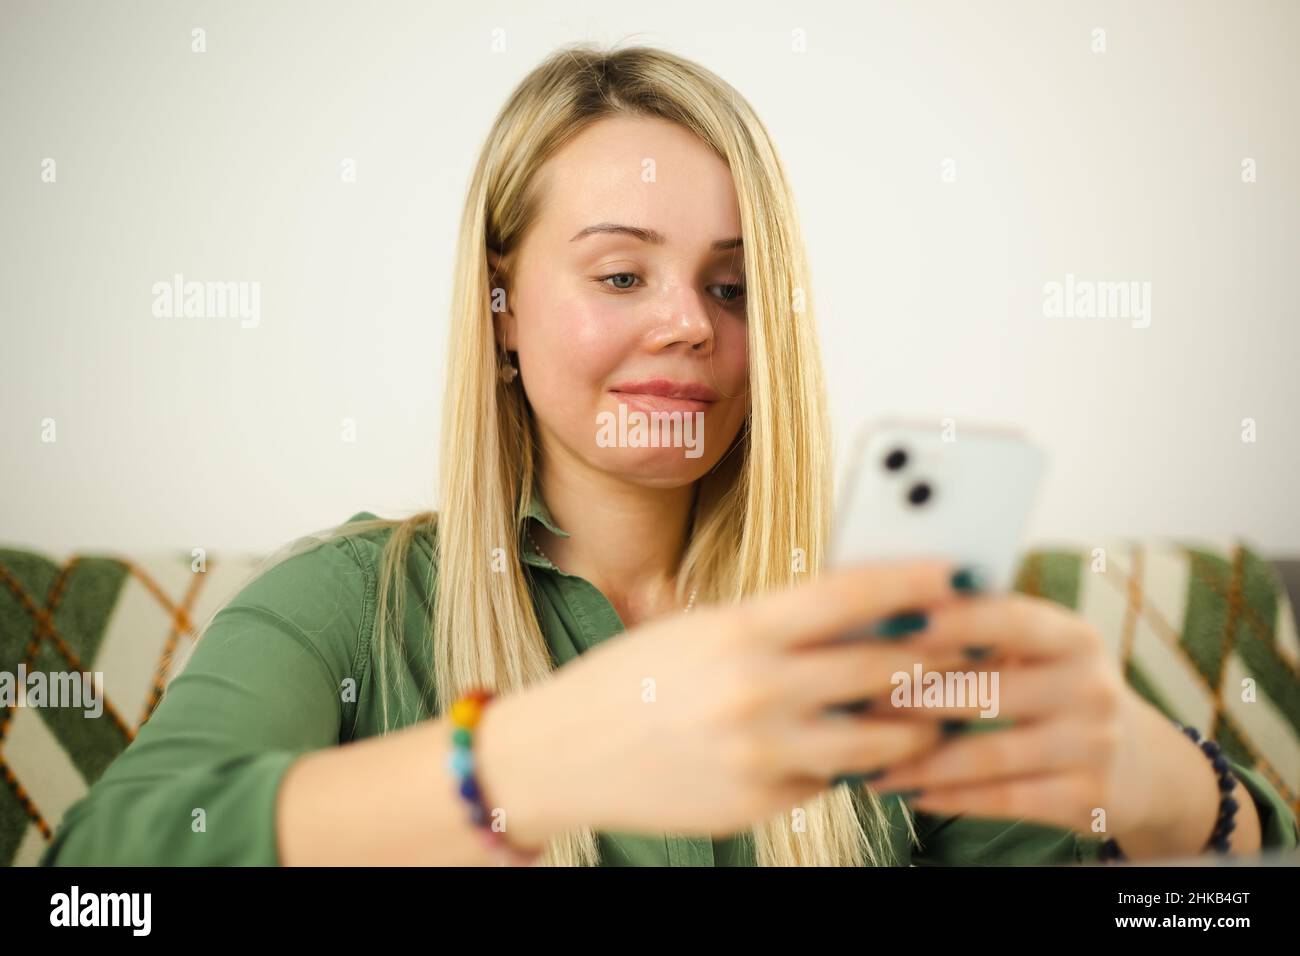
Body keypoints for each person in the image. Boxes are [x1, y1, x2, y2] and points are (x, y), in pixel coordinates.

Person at [41, 43, 1297, 867]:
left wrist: (1169, 791)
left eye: (733, 284)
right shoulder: (346, 613)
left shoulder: (874, 639)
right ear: (501, 307)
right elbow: (95, 882)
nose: (689, 322)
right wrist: (514, 765)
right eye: (620, 271)